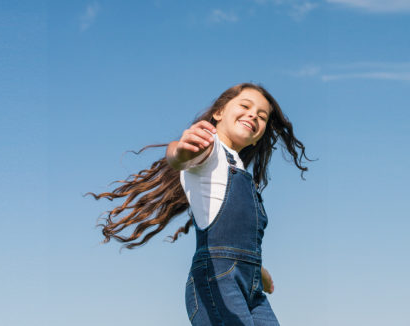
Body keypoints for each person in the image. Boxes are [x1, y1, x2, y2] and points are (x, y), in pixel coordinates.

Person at [88, 83, 311, 326]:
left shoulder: (239, 171)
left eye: (262, 116)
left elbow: (240, 237)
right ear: (219, 113)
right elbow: (178, 157)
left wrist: (259, 270)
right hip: (217, 279)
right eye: (245, 106)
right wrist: (180, 150)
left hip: (251, 287)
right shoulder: (209, 149)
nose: (253, 115)